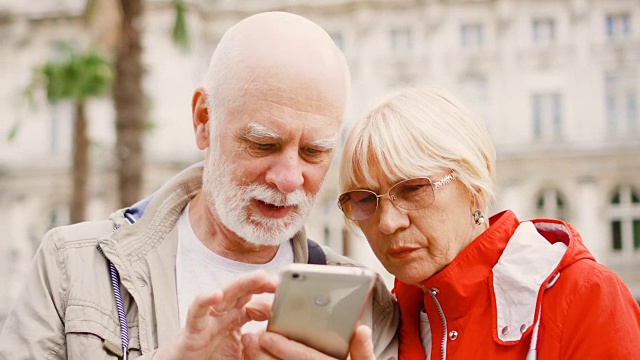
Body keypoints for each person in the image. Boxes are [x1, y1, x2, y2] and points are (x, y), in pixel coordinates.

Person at [0, 12, 398, 360]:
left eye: (314, 152)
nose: (290, 178)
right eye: (263, 144)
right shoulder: (72, 264)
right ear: (204, 119)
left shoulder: (366, 304)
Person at [245, 86, 640, 359]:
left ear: (474, 184)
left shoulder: (584, 294)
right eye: (364, 200)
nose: (388, 223)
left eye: (414, 189)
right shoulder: (388, 318)